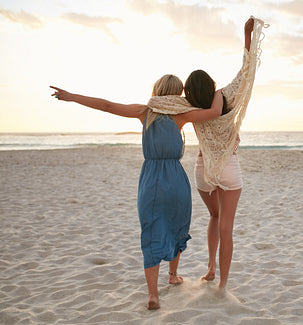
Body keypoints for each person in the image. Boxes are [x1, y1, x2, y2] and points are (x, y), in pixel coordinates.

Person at [50, 75, 223, 309]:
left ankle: (153, 295)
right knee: (176, 225)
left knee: (152, 230)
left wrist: (72, 97)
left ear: (157, 89)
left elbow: (107, 105)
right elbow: (214, 112)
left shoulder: (145, 112)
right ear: (177, 93)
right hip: (176, 178)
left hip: (151, 178)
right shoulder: (182, 113)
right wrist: (219, 92)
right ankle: (172, 275)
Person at [147, 16, 267, 291]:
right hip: (229, 167)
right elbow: (247, 71)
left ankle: (211, 267)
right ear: (212, 84)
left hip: (203, 169)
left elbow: (159, 102)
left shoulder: (188, 106)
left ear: (190, 91)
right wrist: (247, 35)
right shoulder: (226, 96)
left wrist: (153, 101)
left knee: (213, 217)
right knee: (227, 226)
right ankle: (223, 283)